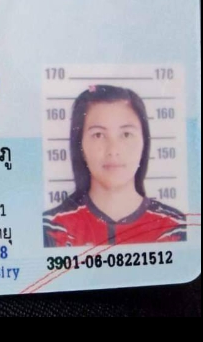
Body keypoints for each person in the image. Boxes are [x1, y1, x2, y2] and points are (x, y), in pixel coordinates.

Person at [43, 84, 187, 247]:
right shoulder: (52, 230)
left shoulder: (175, 229)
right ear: (80, 146)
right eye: (98, 135)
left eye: (126, 134)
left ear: (144, 143)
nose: (113, 150)